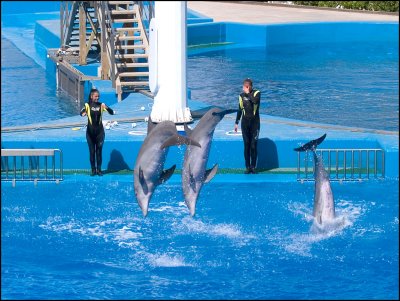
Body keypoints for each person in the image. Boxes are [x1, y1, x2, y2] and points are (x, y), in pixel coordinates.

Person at [80, 88, 115, 176]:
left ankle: (99, 170)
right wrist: (83, 113)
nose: (97, 98)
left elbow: (112, 113)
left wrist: (106, 107)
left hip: (100, 133)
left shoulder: (101, 105)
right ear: (91, 96)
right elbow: (81, 112)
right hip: (90, 134)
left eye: (98, 96)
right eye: (96, 96)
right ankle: (93, 170)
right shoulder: (87, 105)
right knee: (92, 152)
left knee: (99, 152)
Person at [234, 78, 261, 174]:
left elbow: (255, 101)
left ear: (248, 86)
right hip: (245, 124)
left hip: (255, 124)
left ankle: (253, 167)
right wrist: (236, 122)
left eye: (244, 87)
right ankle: (247, 167)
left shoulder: (257, 93)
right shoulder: (241, 96)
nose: (242, 88)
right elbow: (240, 109)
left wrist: (248, 92)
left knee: (253, 145)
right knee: (246, 145)